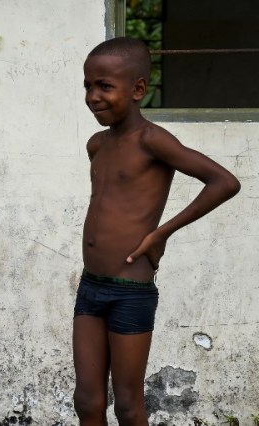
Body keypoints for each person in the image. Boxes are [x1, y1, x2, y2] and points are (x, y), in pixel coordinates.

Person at [73, 37, 240, 425]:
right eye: (87, 85)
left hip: (130, 289)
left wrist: (162, 232)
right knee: (87, 401)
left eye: (104, 86)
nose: (93, 96)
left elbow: (223, 182)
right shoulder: (97, 144)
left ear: (138, 90)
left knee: (129, 405)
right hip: (90, 287)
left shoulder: (152, 140)